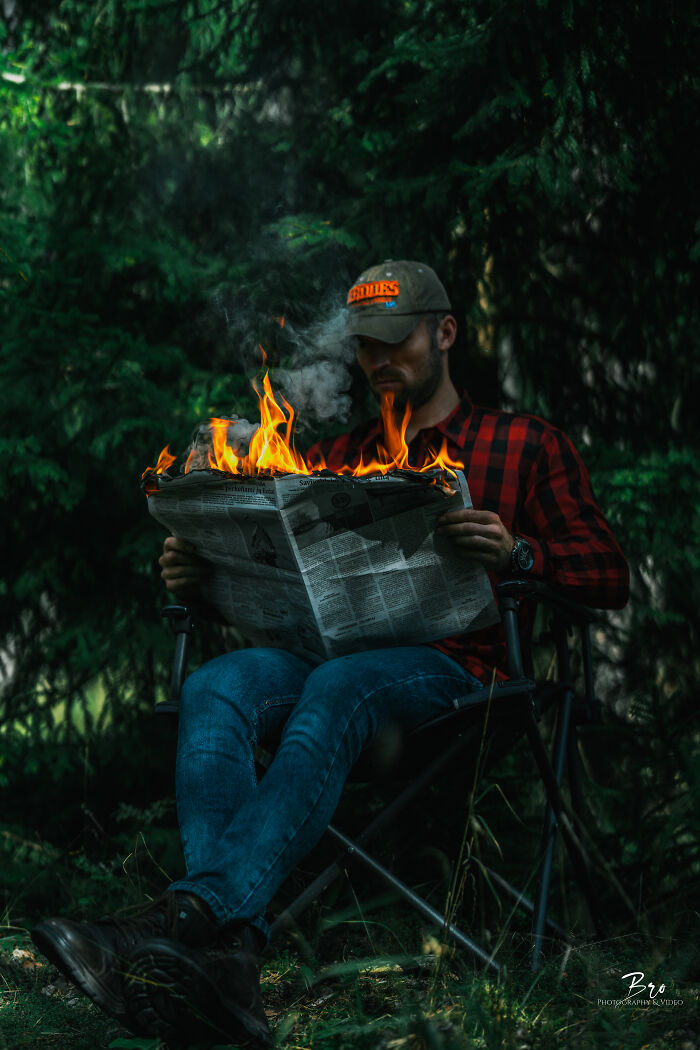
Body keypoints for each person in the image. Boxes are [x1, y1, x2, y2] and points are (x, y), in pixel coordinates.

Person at [32, 260, 629, 1048]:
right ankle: (229, 964)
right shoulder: (335, 457)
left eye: (396, 340)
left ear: (445, 333)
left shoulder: (523, 444)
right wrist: (200, 573)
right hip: (325, 661)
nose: (378, 360)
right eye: (365, 345)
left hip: (458, 676)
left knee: (343, 683)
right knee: (219, 684)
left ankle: (179, 923)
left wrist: (519, 552)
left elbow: (608, 574)